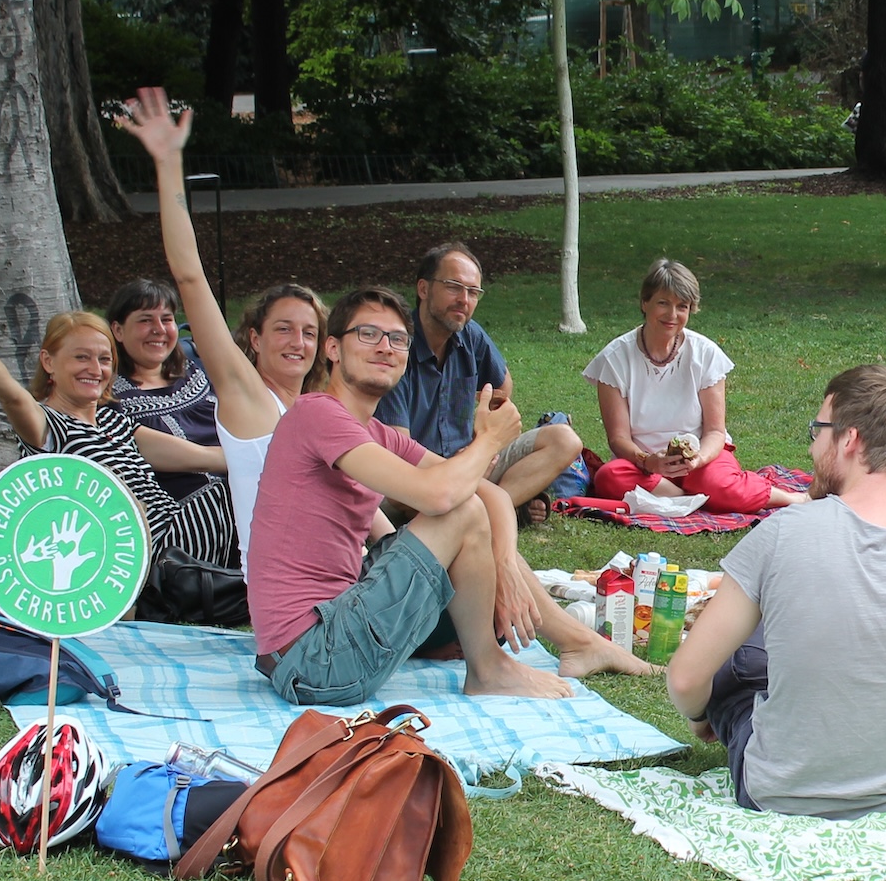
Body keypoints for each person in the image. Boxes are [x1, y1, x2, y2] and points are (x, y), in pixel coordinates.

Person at [249, 285, 643, 707]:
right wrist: (488, 442)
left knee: (471, 508)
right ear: (333, 349)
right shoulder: (316, 413)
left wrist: (506, 564)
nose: (385, 347)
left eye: (398, 339)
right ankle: (491, 667)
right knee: (460, 511)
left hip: (328, 643)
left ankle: (566, 645)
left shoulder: (376, 434)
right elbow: (440, 498)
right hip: (315, 660)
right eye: (368, 335)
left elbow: (490, 494)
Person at [666, 365, 886, 817]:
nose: (813, 444)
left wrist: (704, 719)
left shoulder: (782, 534)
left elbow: (685, 678)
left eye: (819, 431)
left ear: (850, 439)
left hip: (777, 790)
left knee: (743, 659)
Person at [116, 86, 328, 567]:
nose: (298, 343)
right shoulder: (249, 396)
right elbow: (188, 273)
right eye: (283, 329)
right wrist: (168, 163)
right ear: (253, 339)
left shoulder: (321, 407)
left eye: (310, 332)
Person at [0, 281, 236, 565]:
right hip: (149, 553)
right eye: (81, 357)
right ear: (49, 363)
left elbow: (208, 458)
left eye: (104, 359)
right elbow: (13, 398)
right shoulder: (49, 426)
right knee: (241, 496)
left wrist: (268, 458)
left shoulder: (116, 422)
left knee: (247, 482)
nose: (95, 369)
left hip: (183, 531)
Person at [375, 243, 583, 519]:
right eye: (453, 287)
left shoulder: (470, 335)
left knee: (563, 439)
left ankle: (489, 510)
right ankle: (494, 508)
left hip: (469, 464)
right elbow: (398, 463)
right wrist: (469, 461)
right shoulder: (396, 352)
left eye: (473, 292)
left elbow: (502, 385)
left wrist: (481, 436)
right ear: (423, 289)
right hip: (416, 480)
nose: (464, 299)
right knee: (405, 495)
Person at [583, 259, 807, 514]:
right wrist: (649, 462)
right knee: (608, 477)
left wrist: (698, 459)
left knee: (719, 483)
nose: (672, 315)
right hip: (645, 465)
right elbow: (618, 438)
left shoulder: (706, 353)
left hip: (699, 461)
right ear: (645, 303)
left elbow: (715, 432)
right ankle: (690, 498)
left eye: (682, 306)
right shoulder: (615, 358)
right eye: (663, 303)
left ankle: (795, 499)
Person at [104, 277, 222, 505]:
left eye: (166, 319)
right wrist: (239, 458)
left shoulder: (194, 370)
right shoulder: (110, 397)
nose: (158, 330)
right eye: (145, 320)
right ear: (118, 330)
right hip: (187, 514)